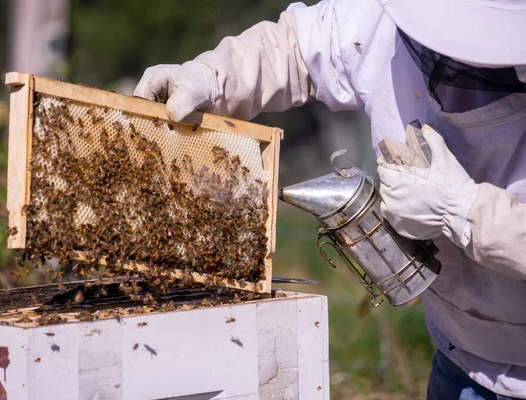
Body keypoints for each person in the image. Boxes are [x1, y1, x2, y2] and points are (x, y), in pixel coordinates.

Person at [134, 0, 526, 398]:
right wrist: (211, 75)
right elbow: (294, 47)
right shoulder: (384, 22)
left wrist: (466, 212)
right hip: (460, 355)